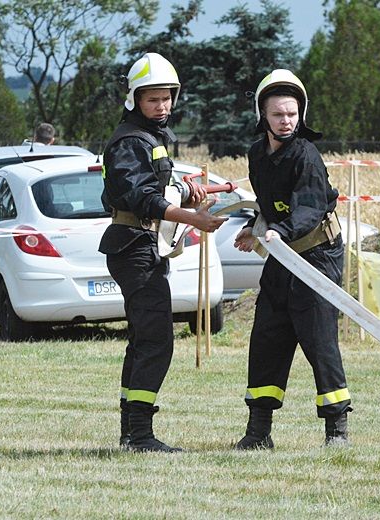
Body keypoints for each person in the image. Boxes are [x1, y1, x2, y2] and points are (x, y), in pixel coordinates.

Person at [99, 52, 227, 452]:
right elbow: (139, 196)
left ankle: (129, 433)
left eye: (167, 98)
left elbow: (155, 188)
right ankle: (140, 435)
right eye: (153, 99)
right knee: (157, 341)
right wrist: (190, 216)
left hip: (144, 247)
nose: (162, 106)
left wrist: (186, 190)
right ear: (134, 99)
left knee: (143, 339)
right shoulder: (128, 141)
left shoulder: (149, 139)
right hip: (134, 246)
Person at [232, 69, 351, 449]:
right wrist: (256, 226)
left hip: (317, 255)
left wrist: (278, 232)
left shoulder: (307, 156)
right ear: (262, 117)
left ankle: (337, 433)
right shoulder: (257, 154)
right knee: (267, 335)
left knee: (318, 339)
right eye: (278, 115)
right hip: (283, 256)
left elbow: (309, 208)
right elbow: (271, 203)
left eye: (292, 114)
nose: (286, 121)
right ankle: (258, 433)